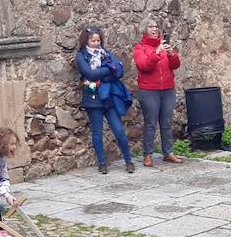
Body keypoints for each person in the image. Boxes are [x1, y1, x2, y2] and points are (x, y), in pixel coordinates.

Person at [75, 26, 135, 175]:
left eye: (98, 40)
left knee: (119, 131)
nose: (96, 43)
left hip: (108, 98)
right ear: (86, 41)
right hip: (93, 98)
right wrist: (109, 69)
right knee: (97, 132)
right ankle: (102, 163)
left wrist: (104, 71)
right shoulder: (81, 56)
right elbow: (89, 73)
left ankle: (129, 161)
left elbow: (119, 70)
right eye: (93, 40)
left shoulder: (106, 53)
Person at [132, 21, 185, 168]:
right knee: (150, 123)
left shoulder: (164, 45)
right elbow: (144, 66)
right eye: (151, 27)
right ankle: (147, 154)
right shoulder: (140, 48)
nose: (155, 29)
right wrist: (156, 52)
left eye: (156, 27)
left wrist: (172, 54)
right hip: (149, 90)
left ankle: (168, 153)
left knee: (166, 122)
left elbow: (175, 65)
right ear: (144, 30)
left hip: (167, 89)